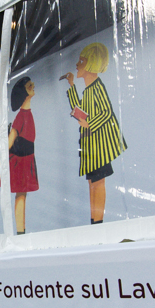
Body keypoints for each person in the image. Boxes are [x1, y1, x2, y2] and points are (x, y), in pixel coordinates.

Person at [61, 42, 127, 225]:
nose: (77, 64)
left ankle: (97, 222)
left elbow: (106, 112)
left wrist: (89, 122)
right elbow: (78, 109)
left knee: (98, 182)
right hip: (90, 144)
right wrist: (72, 84)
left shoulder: (97, 88)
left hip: (98, 145)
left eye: (81, 61)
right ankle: (94, 220)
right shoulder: (89, 89)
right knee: (92, 183)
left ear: (90, 65)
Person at [0, 77, 39, 234]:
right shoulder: (21, 117)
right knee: (21, 196)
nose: (33, 86)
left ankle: (21, 230)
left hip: (27, 159)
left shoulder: (27, 114)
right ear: (23, 93)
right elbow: (10, 141)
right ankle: (20, 231)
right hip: (20, 162)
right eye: (29, 86)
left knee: (22, 196)